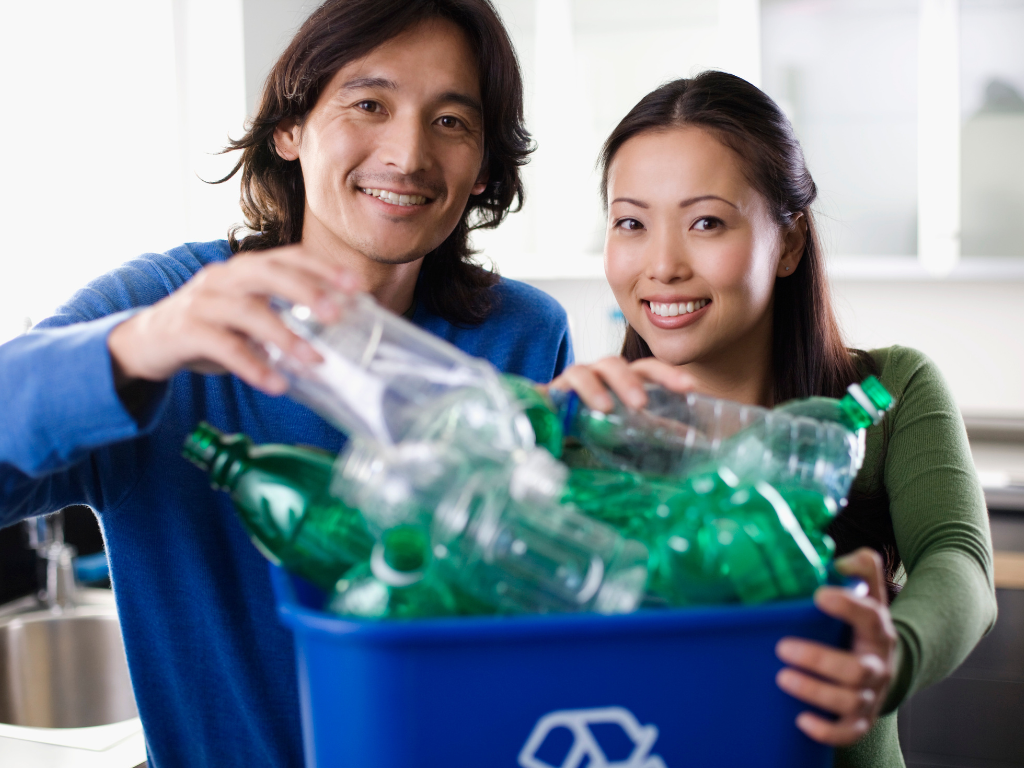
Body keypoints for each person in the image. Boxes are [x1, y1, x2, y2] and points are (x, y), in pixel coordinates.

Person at [0, 1, 571, 765]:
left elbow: (550, 595)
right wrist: (140, 346)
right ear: (290, 127)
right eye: (369, 104)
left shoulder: (524, 335)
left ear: (484, 168)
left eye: (452, 122)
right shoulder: (167, 307)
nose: (407, 154)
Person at [549, 71, 996, 768]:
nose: (661, 265)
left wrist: (894, 652)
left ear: (788, 242)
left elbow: (958, 560)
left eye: (706, 222)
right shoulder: (585, 424)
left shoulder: (888, 392)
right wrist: (532, 438)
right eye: (630, 222)